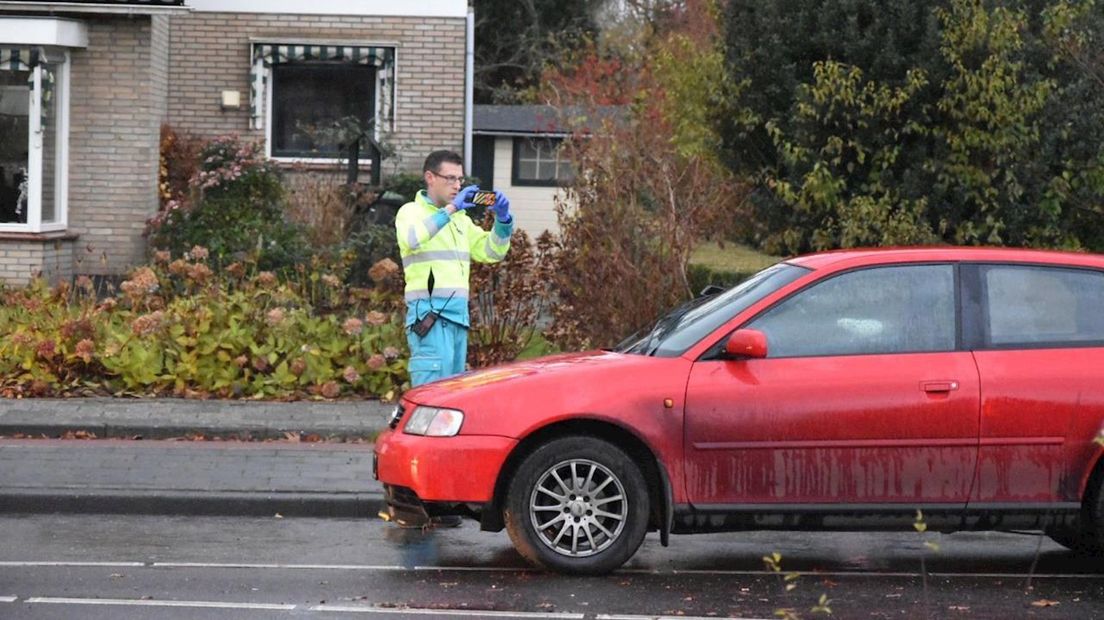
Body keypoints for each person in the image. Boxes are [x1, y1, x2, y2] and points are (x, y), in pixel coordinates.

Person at [395, 150, 513, 387]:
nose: (457, 186)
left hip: (458, 319)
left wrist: (503, 220)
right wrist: (451, 210)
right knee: (430, 397)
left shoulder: (461, 220)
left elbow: (492, 252)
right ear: (430, 177)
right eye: (450, 178)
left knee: (450, 399)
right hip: (430, 319)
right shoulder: (410, 212)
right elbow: (412, 239)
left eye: (460, 179)